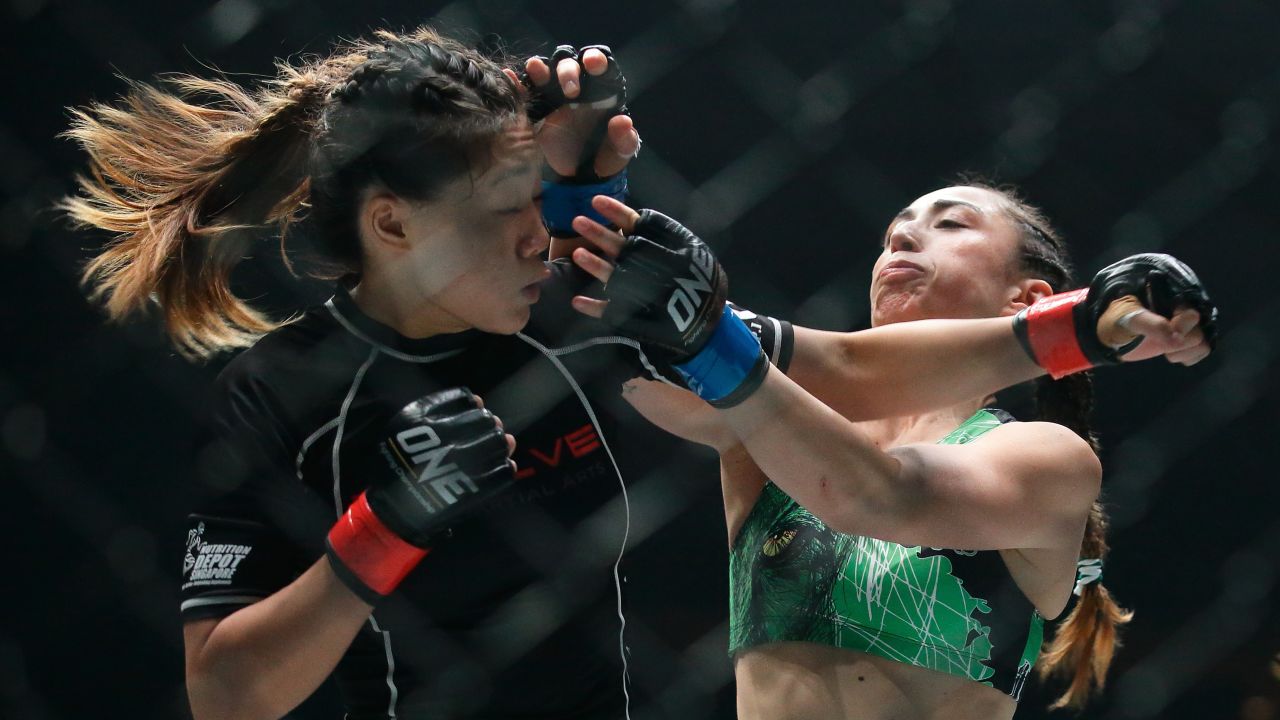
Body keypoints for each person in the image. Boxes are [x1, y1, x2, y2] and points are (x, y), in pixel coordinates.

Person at [63, 24, 1212, 719]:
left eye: (946, 222)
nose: (543, 238)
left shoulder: (1039, 456)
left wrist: (1080, 324)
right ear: (393, 225)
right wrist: (382, 532)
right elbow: (222, 694)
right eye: (515, 212)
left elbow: (853, 423)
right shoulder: (286, 391)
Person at [564, 188, 1215, 719]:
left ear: (1028, 300)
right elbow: (612, 341)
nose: (901, 239)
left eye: (950, 224)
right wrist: (581, 185)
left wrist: (713, 339)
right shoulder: (765, 418)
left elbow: (877, 495)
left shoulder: (1045, 456)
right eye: (894, 233)